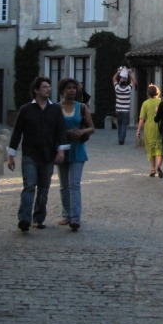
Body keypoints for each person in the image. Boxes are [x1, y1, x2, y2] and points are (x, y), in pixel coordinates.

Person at [7, 76, 69, 233]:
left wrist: (61, 150)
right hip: (30, 154)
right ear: (36, 90)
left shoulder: (55, 109)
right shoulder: (26, 110)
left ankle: (39, 218)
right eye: (45, 87)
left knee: (43, 189)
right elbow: (17, 133)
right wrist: (11, 155)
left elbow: (61, 130)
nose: (48, 89)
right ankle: (24, 219)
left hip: (48, 155)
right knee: (29, 186)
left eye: (49, 86)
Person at [56, 78, 94, 231]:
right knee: (64, 185)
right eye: (68, 88)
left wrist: (82, 131)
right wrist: (66, 133)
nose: (72, 90)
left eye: (74, 88)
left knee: (74, 184)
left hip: (78, 149)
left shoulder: (82, 107)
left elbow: (92, 127)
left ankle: (75, 218)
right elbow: (52, 128)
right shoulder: (56, 108)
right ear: (62, 91)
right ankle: (66, 215)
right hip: (61, 149)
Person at [136, 84, 163, 178]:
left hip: (148, 128)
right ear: (158, 92)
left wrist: (138, 130)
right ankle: (158, 166)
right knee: (159, 148)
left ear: (148, 93)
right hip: (159, 126)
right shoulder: (161, 102)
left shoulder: (145, 103)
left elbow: (142, 118)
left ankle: (152, 169)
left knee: (150, 149)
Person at [112, 66, 136, 144]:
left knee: (119, 124)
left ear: (119, 83)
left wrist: (118, 72)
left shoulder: (117, 88)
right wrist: (130, 74)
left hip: (118, 110)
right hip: (126, 110)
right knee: (124, 125)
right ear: (126, 83)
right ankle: (121, 140)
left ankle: (120, 138)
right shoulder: (128, 89)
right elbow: (134, 81)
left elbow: (114, 79)